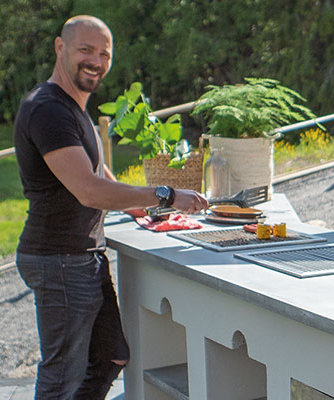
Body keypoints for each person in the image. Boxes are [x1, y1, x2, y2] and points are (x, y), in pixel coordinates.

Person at [13, 15, 208, 400]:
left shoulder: (72, 107)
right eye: (86, 50)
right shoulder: (48, 109)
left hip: (81, 256)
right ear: (60, 47)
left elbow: (98, 174)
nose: (96, 61)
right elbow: (88, 190)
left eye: (104, 53)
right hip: (60, 259)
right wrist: (164, 195)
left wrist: (140, 209)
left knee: (110, 357)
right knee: (61, 380)